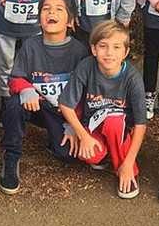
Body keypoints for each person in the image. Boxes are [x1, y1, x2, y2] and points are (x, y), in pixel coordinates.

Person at [0, 0, 89, 194]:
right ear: (39, 18)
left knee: (67, 155)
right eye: (46, 9)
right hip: (37, 106)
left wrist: (74, 124)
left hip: (64, 113)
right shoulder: (31, 45)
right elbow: (14, 78)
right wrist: (26, 88)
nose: (51, 13)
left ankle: (53, 139)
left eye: (59, 9)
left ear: (70, 21)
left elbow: (85, 93)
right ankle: (11, 156)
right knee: (13, 103)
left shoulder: (79, 51)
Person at [59, 20, 147, 199]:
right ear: (93, 49)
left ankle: (126, 171)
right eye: (103, 46)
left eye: (116, 47)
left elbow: (140, 124)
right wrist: (83, 136)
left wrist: (128, 163)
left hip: (121, 127)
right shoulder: (86, 66)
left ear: (125, 52)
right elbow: (65, 105)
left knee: (113, 122)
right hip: (94, 123)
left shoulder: (132, 78)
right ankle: (107, 153)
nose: (109, 53)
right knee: (90, 156)